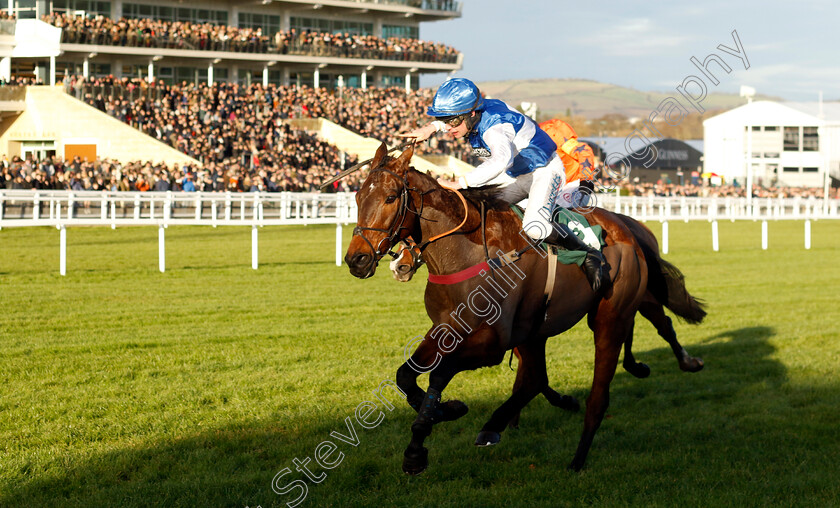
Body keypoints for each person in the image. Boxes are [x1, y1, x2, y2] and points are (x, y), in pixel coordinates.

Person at [399, 78, 608, 292]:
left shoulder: (495, 130)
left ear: (472, 114)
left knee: (534, 227)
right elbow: (454, 120)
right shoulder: (473, 112)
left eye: (453, 122)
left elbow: (501, 161)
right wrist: (431, 128)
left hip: (544, 170)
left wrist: (459, 183)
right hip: (517, 173)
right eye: (445, 120)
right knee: (473, 206)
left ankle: (588, 252)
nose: (450, 127)